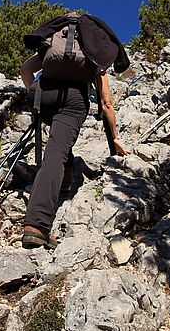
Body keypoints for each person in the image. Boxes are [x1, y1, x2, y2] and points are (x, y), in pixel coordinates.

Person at [20, 51, 129, 250]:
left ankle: (66, 179)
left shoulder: (53, 43)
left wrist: (35, 95)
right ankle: (36, 225)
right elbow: (106, 103)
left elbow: (26, 69)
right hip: (73, 98)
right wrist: (115, 138)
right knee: (56, 153)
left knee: (59, 138)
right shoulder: (92, 48)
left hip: (40, 92)